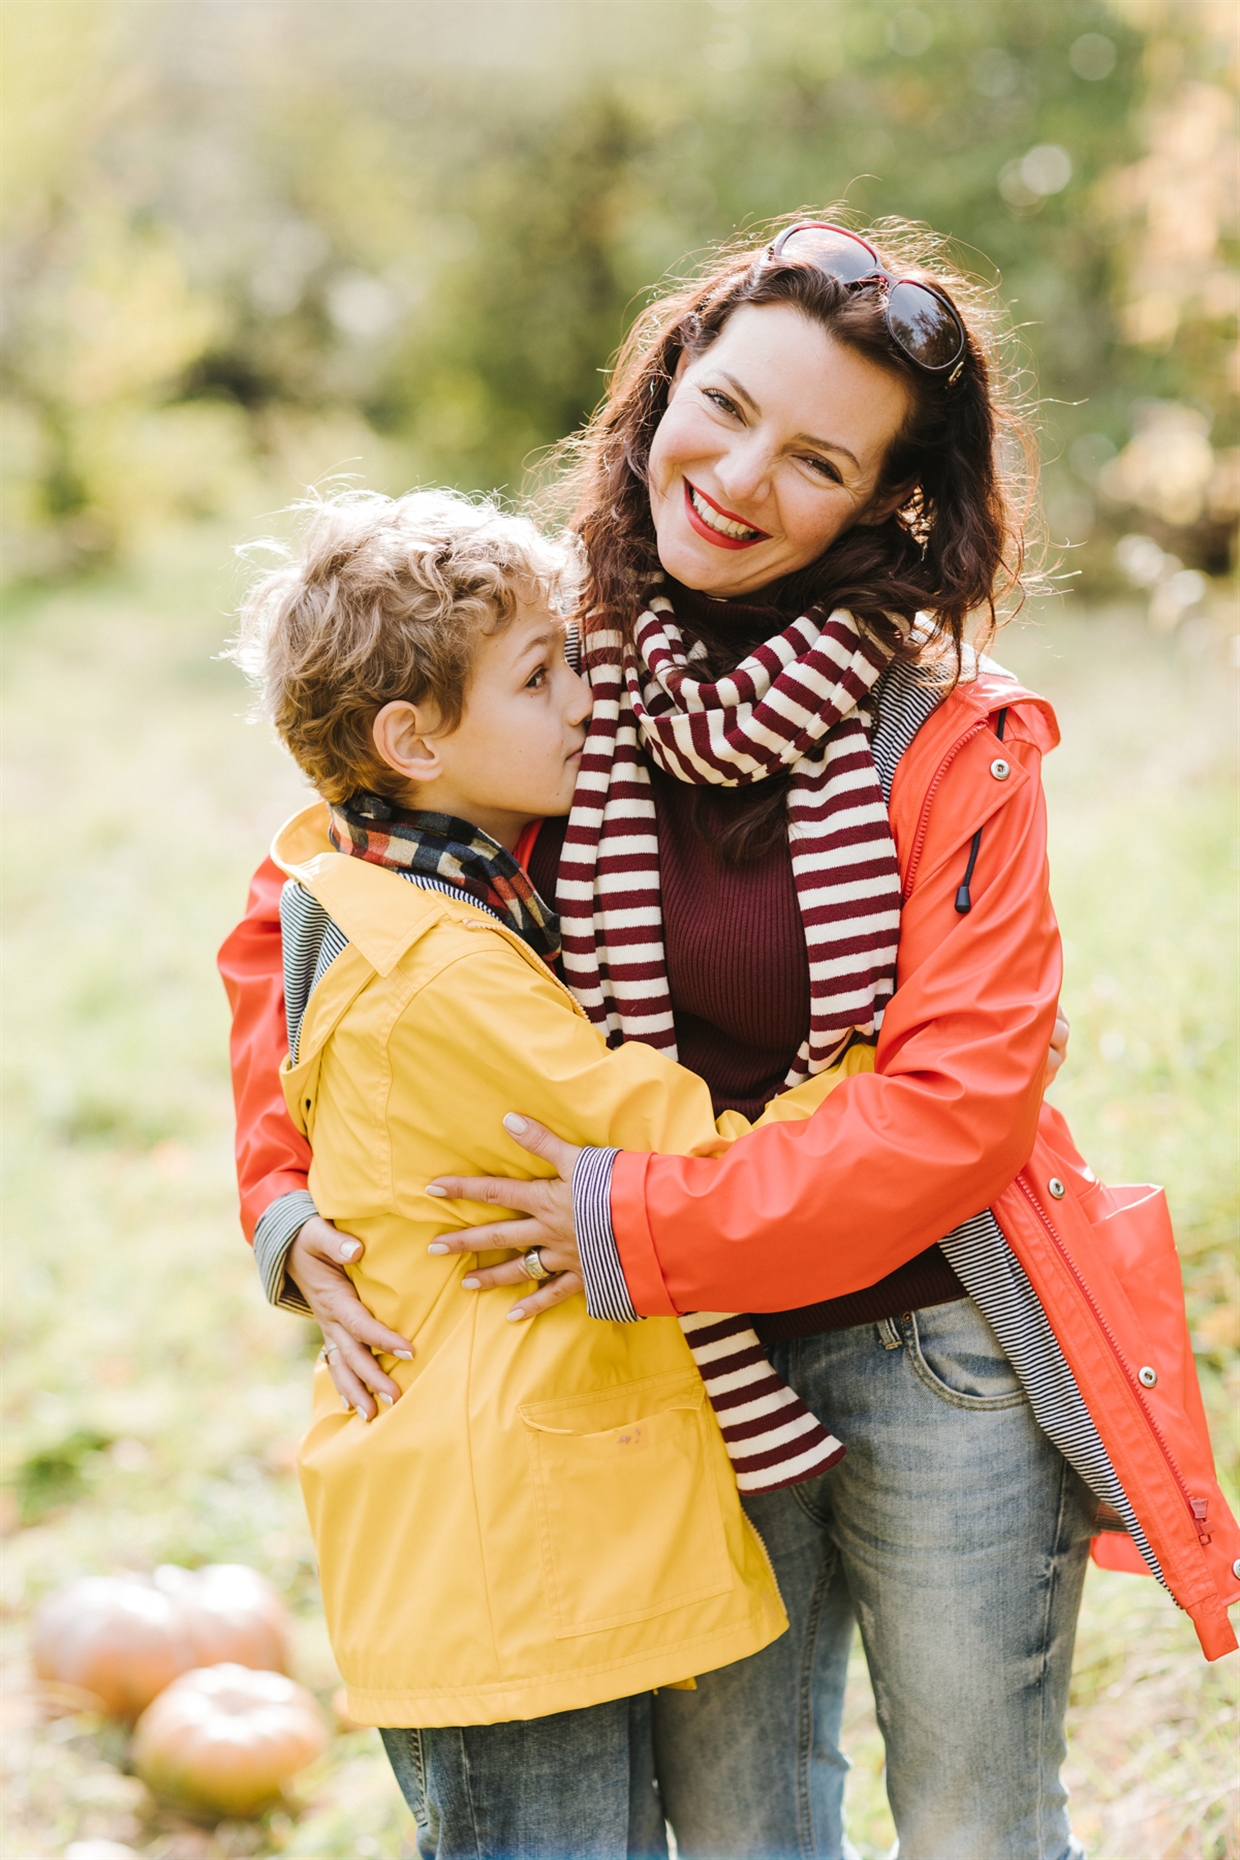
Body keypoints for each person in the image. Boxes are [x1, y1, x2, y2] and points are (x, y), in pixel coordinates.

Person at [221, 221, 1238, 1859]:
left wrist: (645, 1224)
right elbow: (315, 917)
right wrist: (280, 1200)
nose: (743, 476)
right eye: (730, 405)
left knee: (980, 1821)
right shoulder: (533, 661)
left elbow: (958, 1109)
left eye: (818, 458)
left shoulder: (949, 737)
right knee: (738, 1832)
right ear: (664, 383)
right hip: (665, 1378)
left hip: (932, 1352)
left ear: (884, 502)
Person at [226, 484, 894, 1857]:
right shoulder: (449, 966)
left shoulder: (383, 882)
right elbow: (659, 1132)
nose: (589, 697)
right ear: (413, 739)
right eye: (543, 675)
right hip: (506, 1551)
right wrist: (878, 1070)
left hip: (500, 1531)